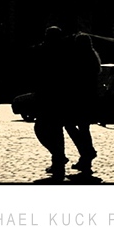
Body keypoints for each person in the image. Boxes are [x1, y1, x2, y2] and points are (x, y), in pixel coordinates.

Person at [32, 27, 70, 175]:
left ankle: (58, 158)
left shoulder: (45, 50)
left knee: (41, 129)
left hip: (48, 96)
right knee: (56, 131)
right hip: (60, 96)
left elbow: (38, 72)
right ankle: (58, 160)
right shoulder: (65, 51)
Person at [65, 33, 100, 173]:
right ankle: (85, 157)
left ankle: (87, 152)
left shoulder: (79, 58)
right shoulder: (92, 56)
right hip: (89, 98)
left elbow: (73, 78)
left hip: (78, 98)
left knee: (70, 125)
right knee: (84, 127)